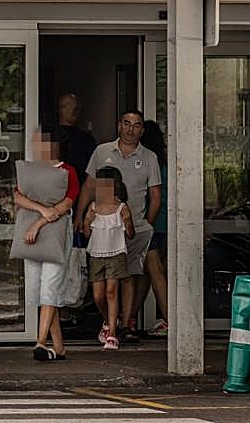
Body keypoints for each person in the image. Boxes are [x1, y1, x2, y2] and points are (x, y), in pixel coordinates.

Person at [75, 109, 161, 344]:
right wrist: (81, 216)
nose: (131, 129)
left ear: (142, 130)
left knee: (130, 276)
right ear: (119, 125)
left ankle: (126, 324)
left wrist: (145, 224)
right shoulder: (102, 151)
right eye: (126, 123)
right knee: (102, 287)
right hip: (104, 229)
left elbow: (155, 196)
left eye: (136, 125)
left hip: (135, 228)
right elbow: (88, 186)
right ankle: (109, 321)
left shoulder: (149, 157)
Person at [12, 132, 79, 362]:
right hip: (34, 227)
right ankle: (58, 346)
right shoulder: (29, 170)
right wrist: (41, 211)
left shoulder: (68, 171)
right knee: (41, 289)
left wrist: (39, 222)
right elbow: (18, 197)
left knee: (51, 284)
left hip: (55, 232)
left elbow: (66, 204)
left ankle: (41, 341)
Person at [83, 166, 134, 351]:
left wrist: (127, 221)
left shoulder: (122, 207)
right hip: (96, 254)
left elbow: (130, 234)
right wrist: (87, 221)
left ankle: (112, 334)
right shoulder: (93, 207)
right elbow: (87, 234)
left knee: (112, 291)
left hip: (116, 253)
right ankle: (109, 320)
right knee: (98, 295)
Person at [135, 120, 168, 337]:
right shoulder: (165, 165)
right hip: (166, 224)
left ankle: (170, 320)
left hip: (151, 224)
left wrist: (145, 223)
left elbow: (150, 197)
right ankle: (128, 319)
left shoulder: (148, 163)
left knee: (154, 273)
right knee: (146, 275)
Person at [49, 93, 98, 184]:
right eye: (68, 105)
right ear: (59, 109)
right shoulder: (49, 136)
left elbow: (93, 169)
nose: (72, 109)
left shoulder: (86, 139)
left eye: (76, 106)